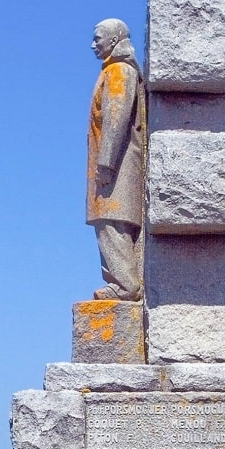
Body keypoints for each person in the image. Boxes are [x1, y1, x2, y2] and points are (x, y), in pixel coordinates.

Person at [87, 18, 147, 301]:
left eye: (97, 38)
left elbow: (116, 119)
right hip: (116, 164)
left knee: (110, 219)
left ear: (113, 41)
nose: (93, 44)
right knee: (109, 221)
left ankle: (125, 284)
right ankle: (120, 280)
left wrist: (105, 163)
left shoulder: (119, 71)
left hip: (117, 165)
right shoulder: (116, 71)